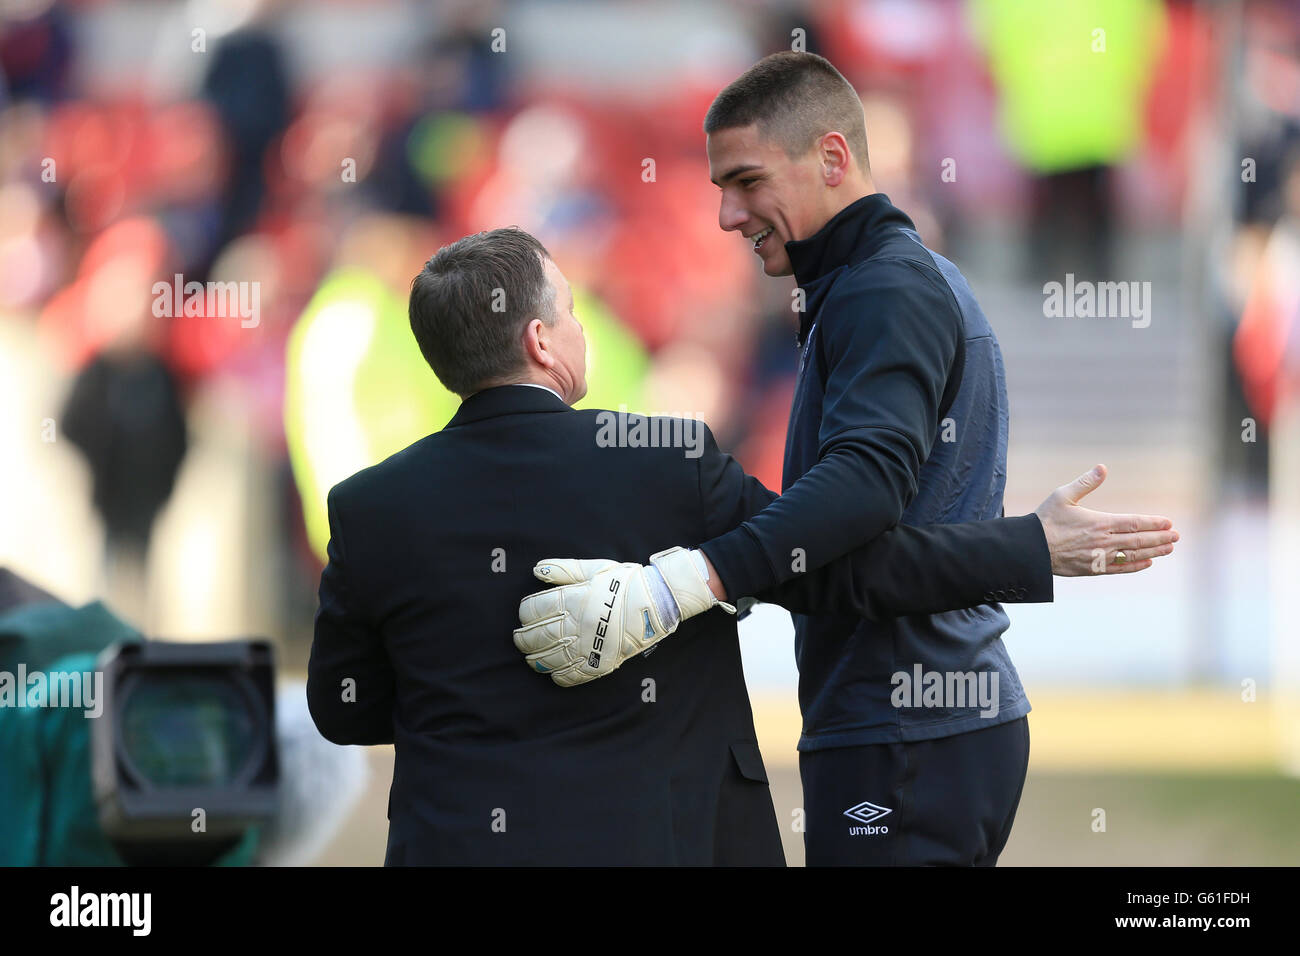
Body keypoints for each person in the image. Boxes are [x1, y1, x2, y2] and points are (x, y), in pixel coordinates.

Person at [308, 227, 1173, 865]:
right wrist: (1030, 548)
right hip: (676, 841)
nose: (581, 329)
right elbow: (846, 570)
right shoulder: (661, 465)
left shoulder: (370, 507)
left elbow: (343, 708)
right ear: (541, 342)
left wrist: (467, 700)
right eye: (571, 314)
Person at [513, 53, 1178, 866]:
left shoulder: (882, 290)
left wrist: (672, 590)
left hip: (907, 728)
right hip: (913, 726)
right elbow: (852, 540)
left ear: (832, 159)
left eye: (748, 181)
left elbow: (858, 502)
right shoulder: (876, 283)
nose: (727, 214)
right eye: (721, 187)